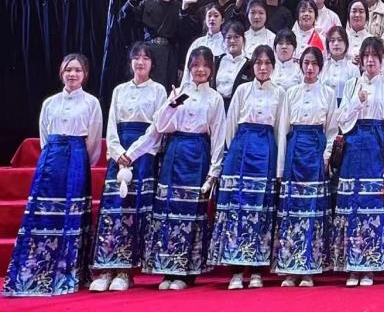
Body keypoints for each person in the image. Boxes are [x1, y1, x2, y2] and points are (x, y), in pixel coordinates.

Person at [3, 54, 102, 297]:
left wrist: (81, 161)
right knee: (42, 213)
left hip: (77, 159)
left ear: (85, 74)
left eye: (77, 70)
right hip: (50, 160)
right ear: (61, 73)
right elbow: (45, 136)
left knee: (71, 215)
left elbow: (93, 142)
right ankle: (36, 270)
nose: (72, 74)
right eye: (68, 70)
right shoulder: (50, 103)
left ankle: (69, 271)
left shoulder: (91, 103)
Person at [143, 47, 226, 290]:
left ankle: (186, 271)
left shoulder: (215, 98)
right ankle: (166, 268)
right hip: (175, 150)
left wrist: (214, 171)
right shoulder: (180, 93)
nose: (200, 70)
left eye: (205, 66)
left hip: (198, 153)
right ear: (189, 67)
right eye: (196, 65)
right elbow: (160, 125)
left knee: (191, 211)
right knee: (169, 208)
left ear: (211, 69)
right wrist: (171, 104)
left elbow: (218, 135)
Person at [208, 45, 288, 289]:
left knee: (260, 211)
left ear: (273, 66)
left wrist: (279, 168)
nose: (262, 68)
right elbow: (230, 126)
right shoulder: (242, 90)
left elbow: (281, 130)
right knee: (237, 209)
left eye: (267, 63)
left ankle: (256, 270)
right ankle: (235, 270)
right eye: (258, 63)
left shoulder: (280, 93)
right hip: (241, 151)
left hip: (265, 152)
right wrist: (233, 153)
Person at [89, 44, 167, 291]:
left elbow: (157, 128)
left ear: (152, 63)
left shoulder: (158, 90)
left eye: (145, 58)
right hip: (119, 153)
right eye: (136, 57)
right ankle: (106, 267)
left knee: (134, 210)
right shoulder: (119, 90)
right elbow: (111, 124)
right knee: (113, 209)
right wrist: (117, 152)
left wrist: (132, 153)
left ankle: (126, 270)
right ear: (130, 61)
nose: (140, 62)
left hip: (142, 155)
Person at [330, 37, 384, 286]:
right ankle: (352, 264)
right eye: (366, 56)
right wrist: (357, 102)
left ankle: (369, 266)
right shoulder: (351, 85)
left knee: (372, 204)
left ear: (381, 60)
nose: (370, 61)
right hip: (353, 148)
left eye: (375, 56)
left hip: (376, 147)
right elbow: (341, 120)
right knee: (352, 204)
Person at [274, 47, 338, 287]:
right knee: (292, 209)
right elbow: (283, 130)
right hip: (295, 149)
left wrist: (326, 155)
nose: (310, 68)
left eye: (314, 64)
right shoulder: (290, 93)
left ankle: (310, 266)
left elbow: (332, 130)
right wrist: (281, 167)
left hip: (315, 150)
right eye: (306, 63)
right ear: (300, 65)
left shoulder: (328, 93)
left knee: (312, 210)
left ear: (320, 67)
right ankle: (290, 268)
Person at [120, 0, 192, 90]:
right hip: (148, 53)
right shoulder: (146, 4)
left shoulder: (180, 6)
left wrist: (181, 65)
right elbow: (123, 20)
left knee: (167, 91)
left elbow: (184, 37)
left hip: (170, 56)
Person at [213, 21, 254, 108]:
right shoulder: (216, 61)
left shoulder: (250, 65)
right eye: (228, 37)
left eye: (236, 37)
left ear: (243, 40)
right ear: (223, 41)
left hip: (238, 107)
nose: (232, 41)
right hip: (215, 106)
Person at [321, 26, 359, 104]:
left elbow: (355, 96)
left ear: (346, 44)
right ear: (328, 44)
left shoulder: (353, 69)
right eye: (332, 40)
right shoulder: (322, 67)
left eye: (340, 40)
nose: (336, 44)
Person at [184, 3, 225, 73]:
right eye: (209, 16)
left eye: (216, 16)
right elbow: (187, 69)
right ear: (205, 20)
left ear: (222, 20)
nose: (212, 19)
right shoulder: (198, 43)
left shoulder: (226, 43)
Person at [343, 0, 373, 65]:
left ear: (366, 16)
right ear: (348, 16)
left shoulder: (372, 40)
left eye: (361, 11)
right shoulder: (342, 38)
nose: (357, 15)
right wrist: (350, 61)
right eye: (354, 11)